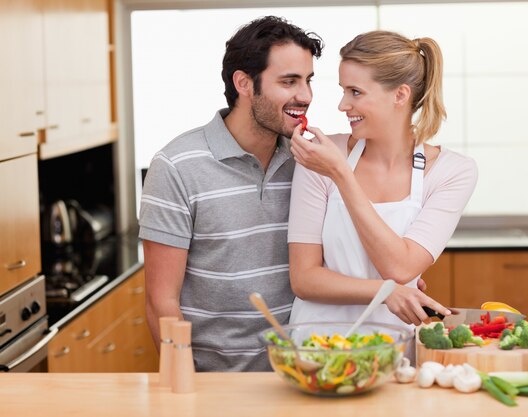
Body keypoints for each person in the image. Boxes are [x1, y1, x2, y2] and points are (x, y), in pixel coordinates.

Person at [138, 16, 323, 371]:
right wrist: (185, 387)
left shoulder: (310, 161)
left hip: (303, 373)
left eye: (308, 80)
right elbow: (161, 301)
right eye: (289, 82)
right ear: (244, 83)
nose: (306, 96)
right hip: (215, 382)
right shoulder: (177, 165)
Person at [287, 31, 478, 345]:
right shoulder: (320, 155)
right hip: (316, 346)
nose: (342, 104)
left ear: (400, 96)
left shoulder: (452, 172)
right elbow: (304, 278)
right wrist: (384, 291)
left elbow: (400, 266)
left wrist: (342, 175)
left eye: (355, 92)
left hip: (394, 348)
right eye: (342, 90)